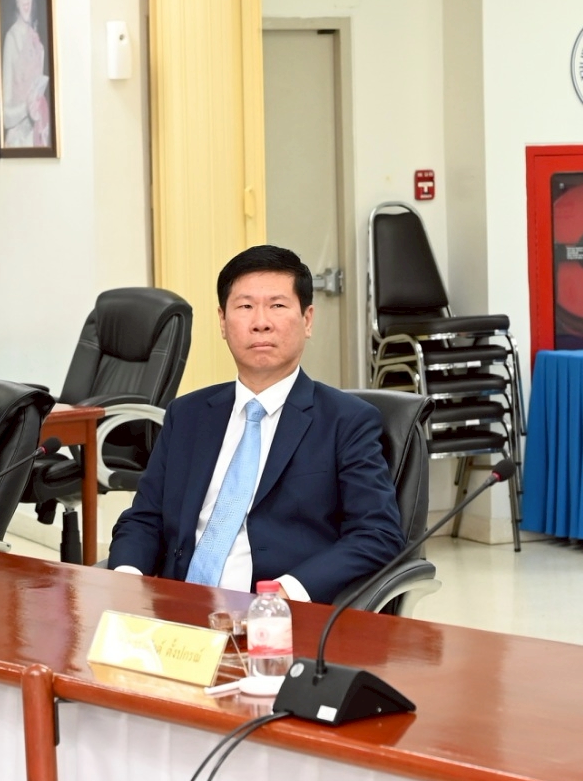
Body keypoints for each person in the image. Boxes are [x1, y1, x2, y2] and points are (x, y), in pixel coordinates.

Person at [106, 245, 404, 600]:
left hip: (277, 614)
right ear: (222, 321)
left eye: (277, 306)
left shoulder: (347, 421)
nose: (261, 322)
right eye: (245, 307)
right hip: (177, 608)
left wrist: (285, 592)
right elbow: (144, 518)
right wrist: (128, 579)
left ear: (307, 320)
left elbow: (377, 534)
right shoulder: (187, 414)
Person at [0, 0, 52, 150]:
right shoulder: (11, 40)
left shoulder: (38, 42)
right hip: (18, 146)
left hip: (38, 140)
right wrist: (26, 109)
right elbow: (5, 116)